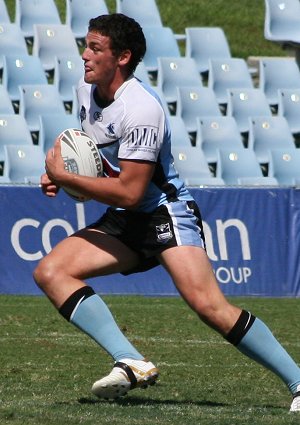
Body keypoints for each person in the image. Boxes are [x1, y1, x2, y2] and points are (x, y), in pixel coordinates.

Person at [33, 13, 300, 411]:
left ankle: (298, 382)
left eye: (95, 48)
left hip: (165, 213)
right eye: (85, 45)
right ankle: (131, 361)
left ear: (122, 57)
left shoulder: (142, 107)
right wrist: (62, 178)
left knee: (211, 308)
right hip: (128, 217)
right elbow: (97, 161)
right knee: (51, 272)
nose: (84, 55)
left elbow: (130, 190)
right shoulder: (85, 89)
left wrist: (64, 175)